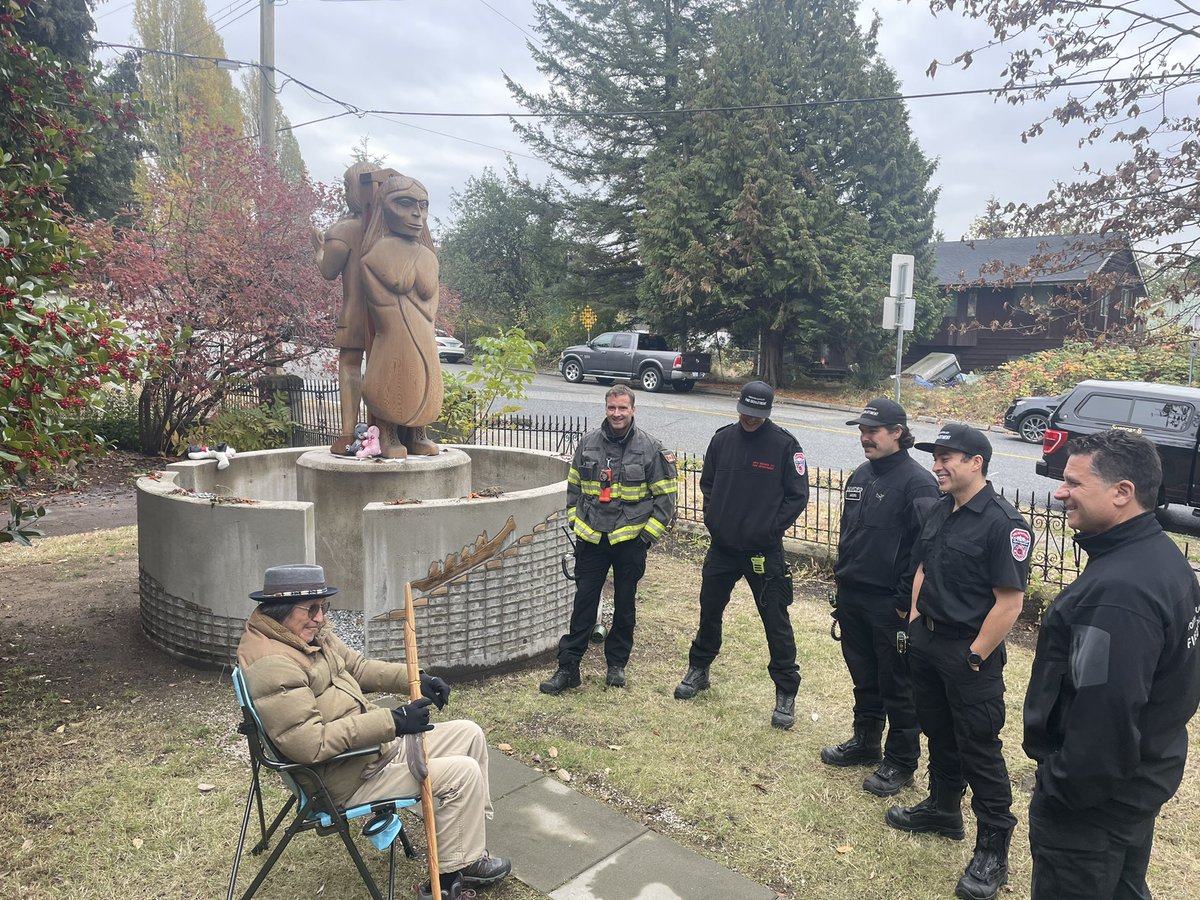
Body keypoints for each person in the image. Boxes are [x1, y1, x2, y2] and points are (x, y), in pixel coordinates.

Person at [237, 564, 511, 899]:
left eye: (324, 607)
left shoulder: (302, 636)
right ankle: (454, 872)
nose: (320, 618)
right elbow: (311, 744)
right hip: (343, 777)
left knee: (469, 733)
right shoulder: (274, 664)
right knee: (462, 774)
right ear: (280, 611)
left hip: (366, 753)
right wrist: (392, 722)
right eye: (311, 609)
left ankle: (467, 845)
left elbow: (358, 668)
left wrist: (416, 678)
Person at [1023, 430, 1200, 900]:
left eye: (1074, 483)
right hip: (1136, 783)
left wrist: (1061, 788)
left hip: (1093, 806)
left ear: (1122, 492)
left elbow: (1106, 712)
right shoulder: (1161, 558)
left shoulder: (1120, 593)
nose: (1060, 493)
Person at [886, 423, 1030, 900]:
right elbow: (924, 566)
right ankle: (944, 809)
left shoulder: (1004, 523)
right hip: (927, 641)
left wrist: (975, 656)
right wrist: (912, 620)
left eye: (948, 456)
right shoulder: (940, 508)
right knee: (938, 731)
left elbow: (1009, 602)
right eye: (935, 455)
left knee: (979, 748)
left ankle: (993, 847)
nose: (937, 465)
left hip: (969, 653)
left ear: (977, 463)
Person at [673, 381, 809, 729]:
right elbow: (708, 485)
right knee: (710, 609)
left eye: (758, 415)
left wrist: (769, 530)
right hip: (723, 548)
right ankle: (699, 668)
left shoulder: (784, 446)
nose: (750, 420)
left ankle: (785, 691)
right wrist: (714, 520)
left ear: (768, 412)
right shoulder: (722, 440)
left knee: (775, 620)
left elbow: (797, 496)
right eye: (746, 413)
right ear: (738, 407)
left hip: (763, 551)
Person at [822, 398, 939, 796]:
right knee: (864, 676)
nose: (864, 437)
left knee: (898, 685)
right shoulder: (861, 475)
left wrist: (905, 602)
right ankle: (866, 741)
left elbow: (924, 550)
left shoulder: (918, 483)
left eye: (873, 431)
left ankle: (901, 762)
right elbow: (847, 533)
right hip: (853, 596)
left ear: (898, 433)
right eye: (862, 430)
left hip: (890, 603)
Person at [539, 384, 677, 694]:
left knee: (625, 604)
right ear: (606, 408)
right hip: (593, 540)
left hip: (630, 541)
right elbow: (573, 487)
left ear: (633, 410)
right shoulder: (588, 443)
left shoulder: (651, 448)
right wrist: (576, 522)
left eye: (622, 408)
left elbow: (666, 499)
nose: (617, 413)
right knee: (583, 604)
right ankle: (568, 667)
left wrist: (645, 538)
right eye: (612, 408)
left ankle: (616, 664)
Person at [311, 163, 395, 454]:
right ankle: (385, 433)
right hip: (384, 316)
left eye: (347, 187)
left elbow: (328, 270)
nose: (345, 193)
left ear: (358, 190)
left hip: (353, 313)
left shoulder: (343, 231)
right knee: (381, 368)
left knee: (349, 365)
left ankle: (348, 432)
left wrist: (318, 247)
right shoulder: (389, 231)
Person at [360, 174, 443, 459]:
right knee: (393, 378)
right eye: (405, 204)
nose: (417, 214)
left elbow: (433, 298)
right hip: (393, 328)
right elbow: (383, 289)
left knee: (425, 380)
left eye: (422, 206)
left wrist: (425, 313)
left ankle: (420, 434)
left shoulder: (429, 256)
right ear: (385, 207)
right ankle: (389, 434)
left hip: (423, 328)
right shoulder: (378, 251)